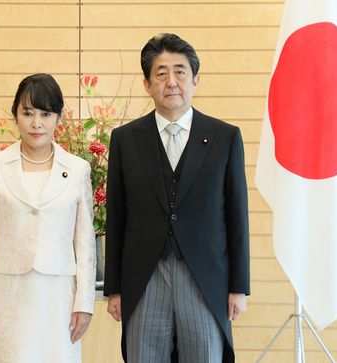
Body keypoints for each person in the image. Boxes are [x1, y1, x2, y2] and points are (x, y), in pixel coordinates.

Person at [104, 33, 250, 363]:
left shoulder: (225, 137)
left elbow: (237, 216)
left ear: (195, 79)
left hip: (204, 278)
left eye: (180, 72)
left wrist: (238, 287)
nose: (172, 82)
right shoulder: (125, 140)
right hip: (145, 279)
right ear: (147, 83)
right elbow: (117, 216)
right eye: (161, 73)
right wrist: (114, 287)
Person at [0, 73, 96, 363]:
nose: (36, 123)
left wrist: (84, 303)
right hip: (7, 296)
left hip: (59, 296)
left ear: (58, 118)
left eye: (45, 114)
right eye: (28, 113)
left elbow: (85, 243)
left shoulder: (77, 170)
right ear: (16, 115)